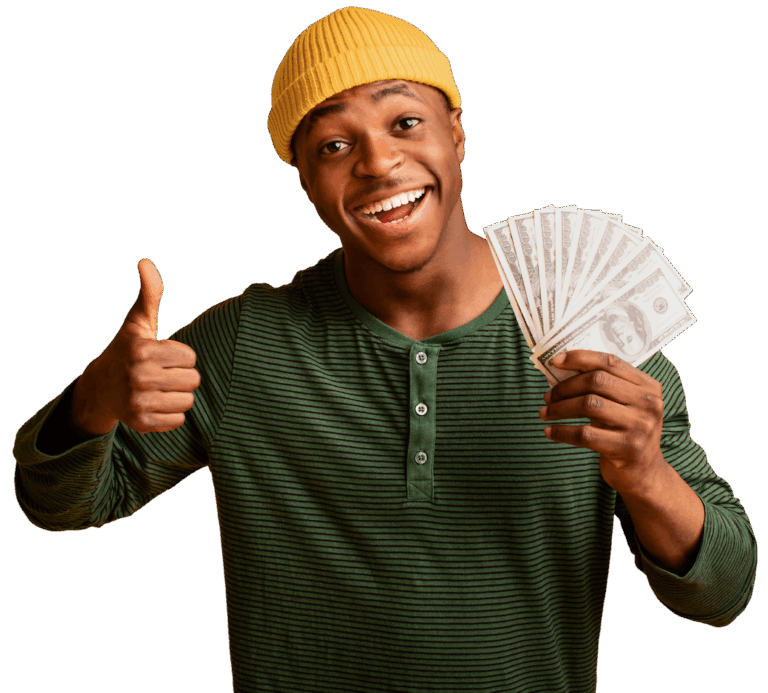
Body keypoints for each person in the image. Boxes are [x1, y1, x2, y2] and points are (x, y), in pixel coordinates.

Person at [12, 6, 757, 692]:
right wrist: (95, 399)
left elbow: (724, 590)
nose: (376, 161)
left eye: (405, 122)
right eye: (335, 143)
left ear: (457, 134)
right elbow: (63, 503)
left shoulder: (591, 338)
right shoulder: (246, 344)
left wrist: (646, 473)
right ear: (304, 176)